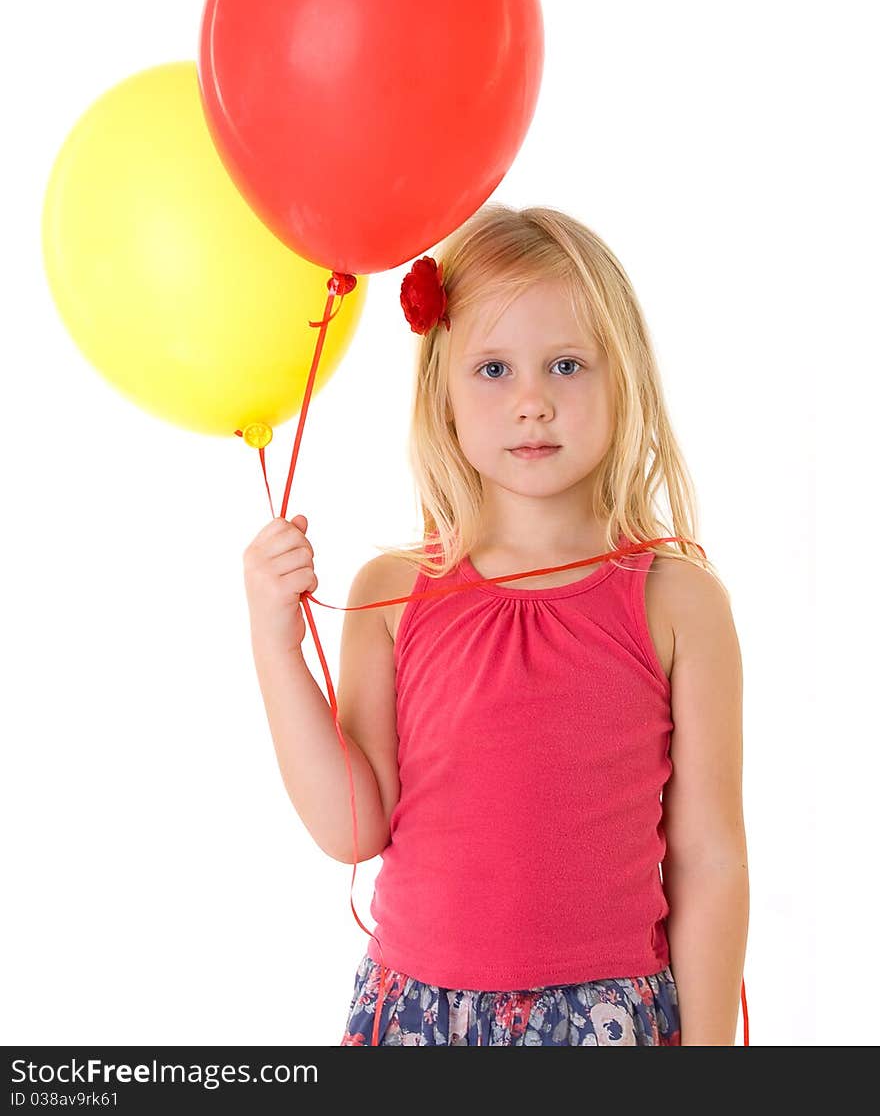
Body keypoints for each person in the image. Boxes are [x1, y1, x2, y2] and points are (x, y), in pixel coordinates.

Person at [243, 203, 749, 1046]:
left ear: (622, 376)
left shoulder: (677, 601)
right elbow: (354, 827)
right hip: (416, 1020)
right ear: (440, 391)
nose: (531, 403)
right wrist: (274, 646)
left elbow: (710, 859)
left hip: (607, 1023)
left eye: (564, 365)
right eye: (492, 370)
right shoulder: (392, 596)